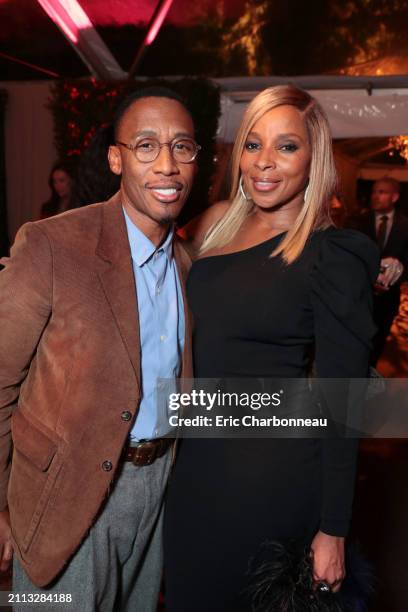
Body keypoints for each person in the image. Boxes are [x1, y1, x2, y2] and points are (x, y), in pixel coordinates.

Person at [164, 85, 379, 611]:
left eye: (287, 147)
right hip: (194, 474)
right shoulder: (214, 226)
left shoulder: (331, 254)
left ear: (315, 157)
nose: (265, 163)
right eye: (253, 144)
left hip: (273, 481)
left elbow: (343, 401)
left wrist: (333, 530)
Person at [0, 86, 199, 611]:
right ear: (116, 158)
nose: (168, 165)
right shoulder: (50, 244)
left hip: (156, 488)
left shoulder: (187, 262)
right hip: (65, 497)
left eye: (182, 147)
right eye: (147, 146)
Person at [349, 178, 408, 364]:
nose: (375, 196)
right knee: (355, 341)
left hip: (389, 298)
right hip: (359, 296)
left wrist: (396, 275)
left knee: (379, 339)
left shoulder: (406, 225)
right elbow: (348, 259)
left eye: (382, 192)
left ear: (395, 196)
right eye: (374, 191)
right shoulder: (356, 221)